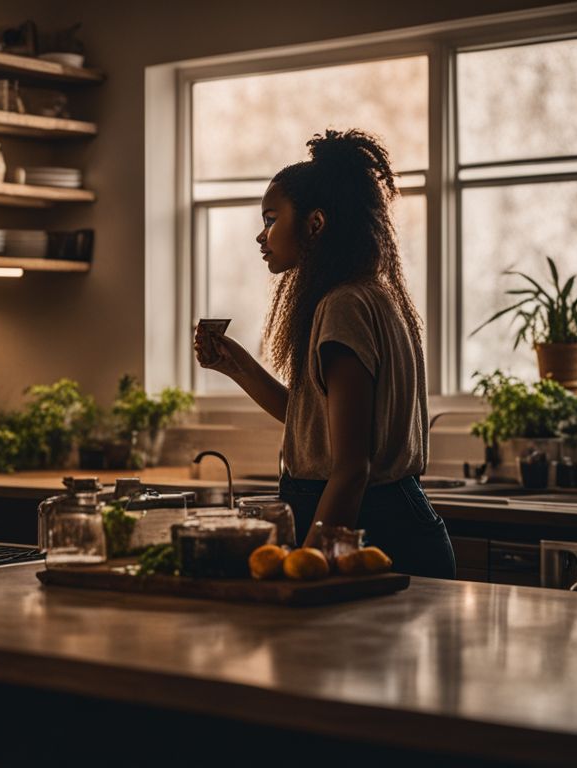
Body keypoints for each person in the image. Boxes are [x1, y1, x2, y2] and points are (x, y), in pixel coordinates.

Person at [194, 129, 455, 579]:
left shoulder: (343, 306)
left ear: (315, 224)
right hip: (389, 522)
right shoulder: (373, 294)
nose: (262, 235)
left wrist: (305, 566)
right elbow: (317, 422)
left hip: (363, 528)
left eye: (272, 219)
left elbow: (352, 468)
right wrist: (234, 365)